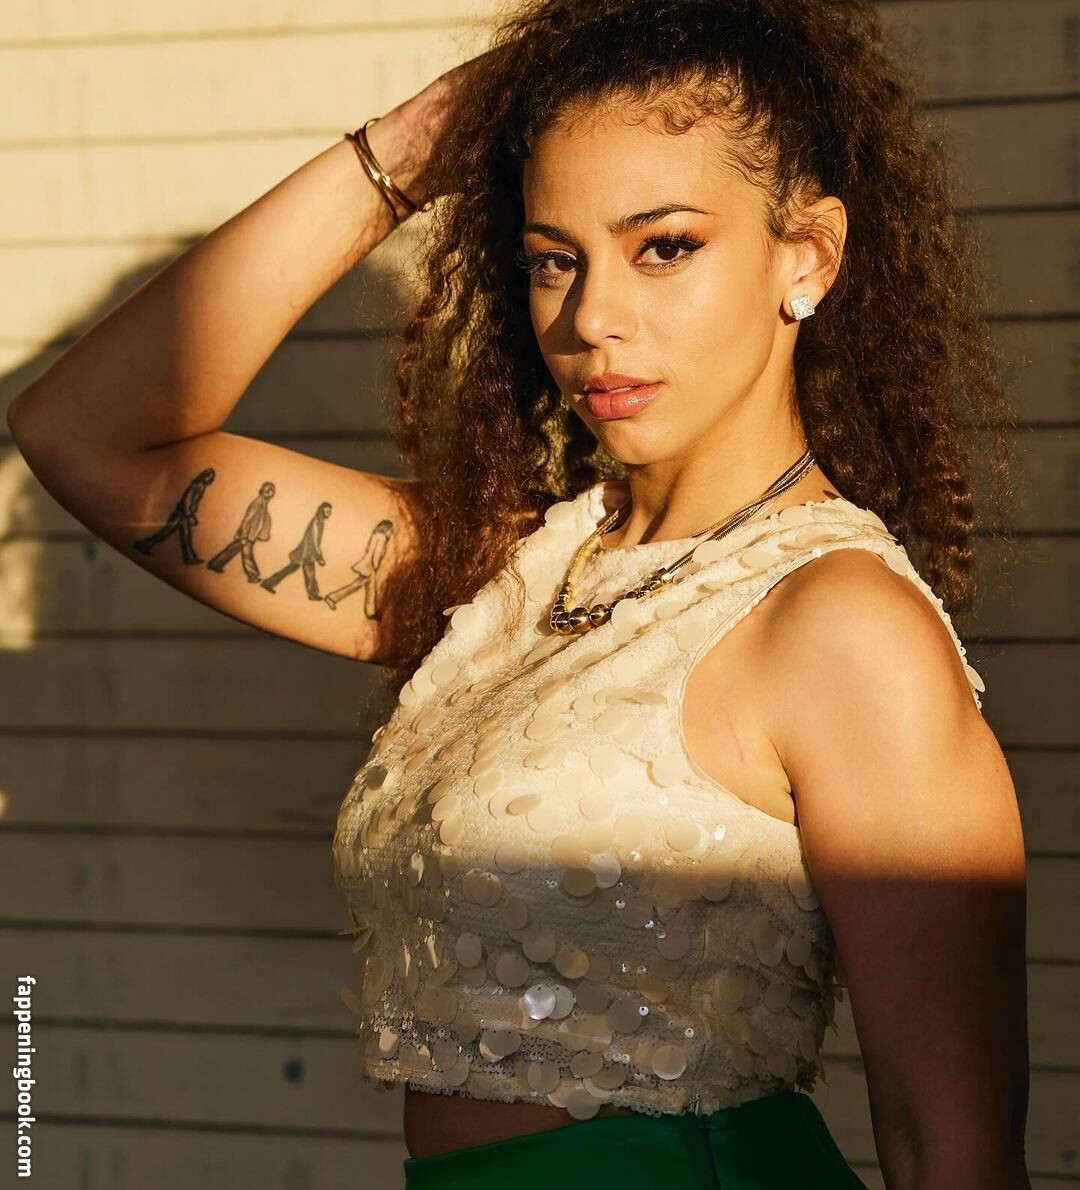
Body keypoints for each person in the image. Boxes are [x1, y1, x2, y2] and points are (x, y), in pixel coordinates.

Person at [7, 0, 1032, 1186]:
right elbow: (85, 435)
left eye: (665, 246)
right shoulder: (501, 577)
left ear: (805, 256)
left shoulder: (842, 625)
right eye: (554, 258)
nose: (591, 317)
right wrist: (404, 154)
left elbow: (950, 1145)